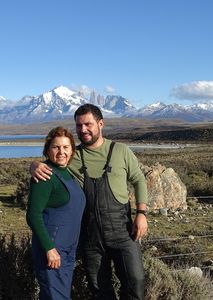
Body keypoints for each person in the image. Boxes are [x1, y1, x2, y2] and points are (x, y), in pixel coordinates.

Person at [31, 104, 148, 300]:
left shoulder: (120, 150)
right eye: (78, 125)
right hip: (90, 235)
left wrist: (141, 214)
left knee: (135, 281)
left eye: (88, 124)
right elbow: (53, 162)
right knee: (99, 288)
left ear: (101, 124)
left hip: (122, 231)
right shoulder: (73, 156)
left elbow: (139, 180)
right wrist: (34, 165)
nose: (83, 129)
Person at [26, 126, 86, 300]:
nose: (61, 152)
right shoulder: (44, 175)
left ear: (72, 150)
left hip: (68, 250)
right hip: (52, 251)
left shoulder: (68, 173)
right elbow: (33, 215)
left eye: (66, 147)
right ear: (47, 150)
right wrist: (49, 248)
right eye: (56, 147)